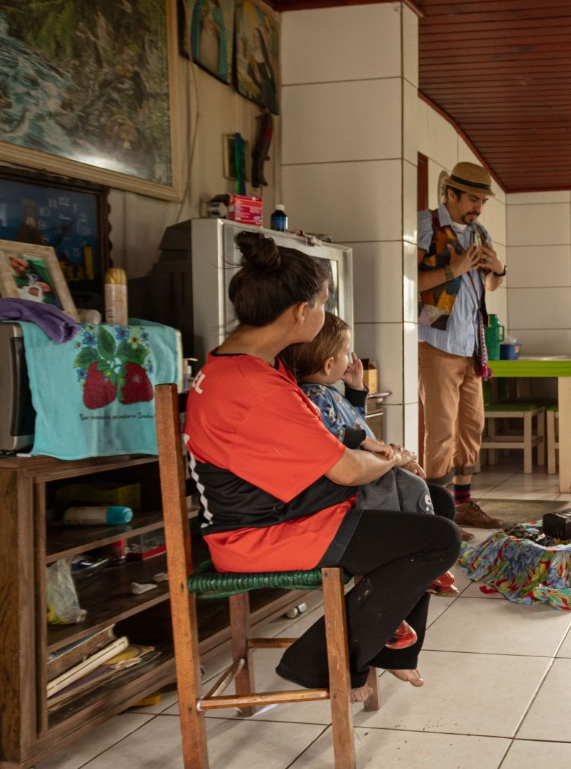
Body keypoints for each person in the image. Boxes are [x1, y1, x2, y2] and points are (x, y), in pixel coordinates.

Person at [184, 232, 460, 697]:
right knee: (437, 538)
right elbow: (347, 472)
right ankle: (319, 659)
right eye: (323, 302)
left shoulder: (248, 366)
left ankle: (386, 647)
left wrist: (366, 449)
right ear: (299, 313)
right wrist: (387, 458)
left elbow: (318, 438)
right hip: (264, 535)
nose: (325, 312)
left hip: (290, 511)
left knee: (437, 504)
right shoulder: (255, 385)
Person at [280, 312, 460, 600]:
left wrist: (354, 390)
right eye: (344, 354)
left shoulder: (327, 392)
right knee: (407, 493)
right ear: (329, 364)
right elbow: (340, 438)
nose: (350, 360)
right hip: (358, 483)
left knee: (419, 488)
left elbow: (353, 425)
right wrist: (389, 455)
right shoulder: (314, 396)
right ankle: (392, 579)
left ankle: (417, 565)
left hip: (368, 472)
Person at [417, 162, 507, 532]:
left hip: (471, 345)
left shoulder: (479, 232)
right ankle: (436, 515)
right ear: (450, 194)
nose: (478, 208)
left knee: (472, 427)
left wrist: (498, 269)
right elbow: (409, 281)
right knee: (440, 431)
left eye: (482, 201)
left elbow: (490, 287)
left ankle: (463, 505)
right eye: (473, 199)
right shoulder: (425, 225)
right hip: (437, 341)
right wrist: (452, 270)